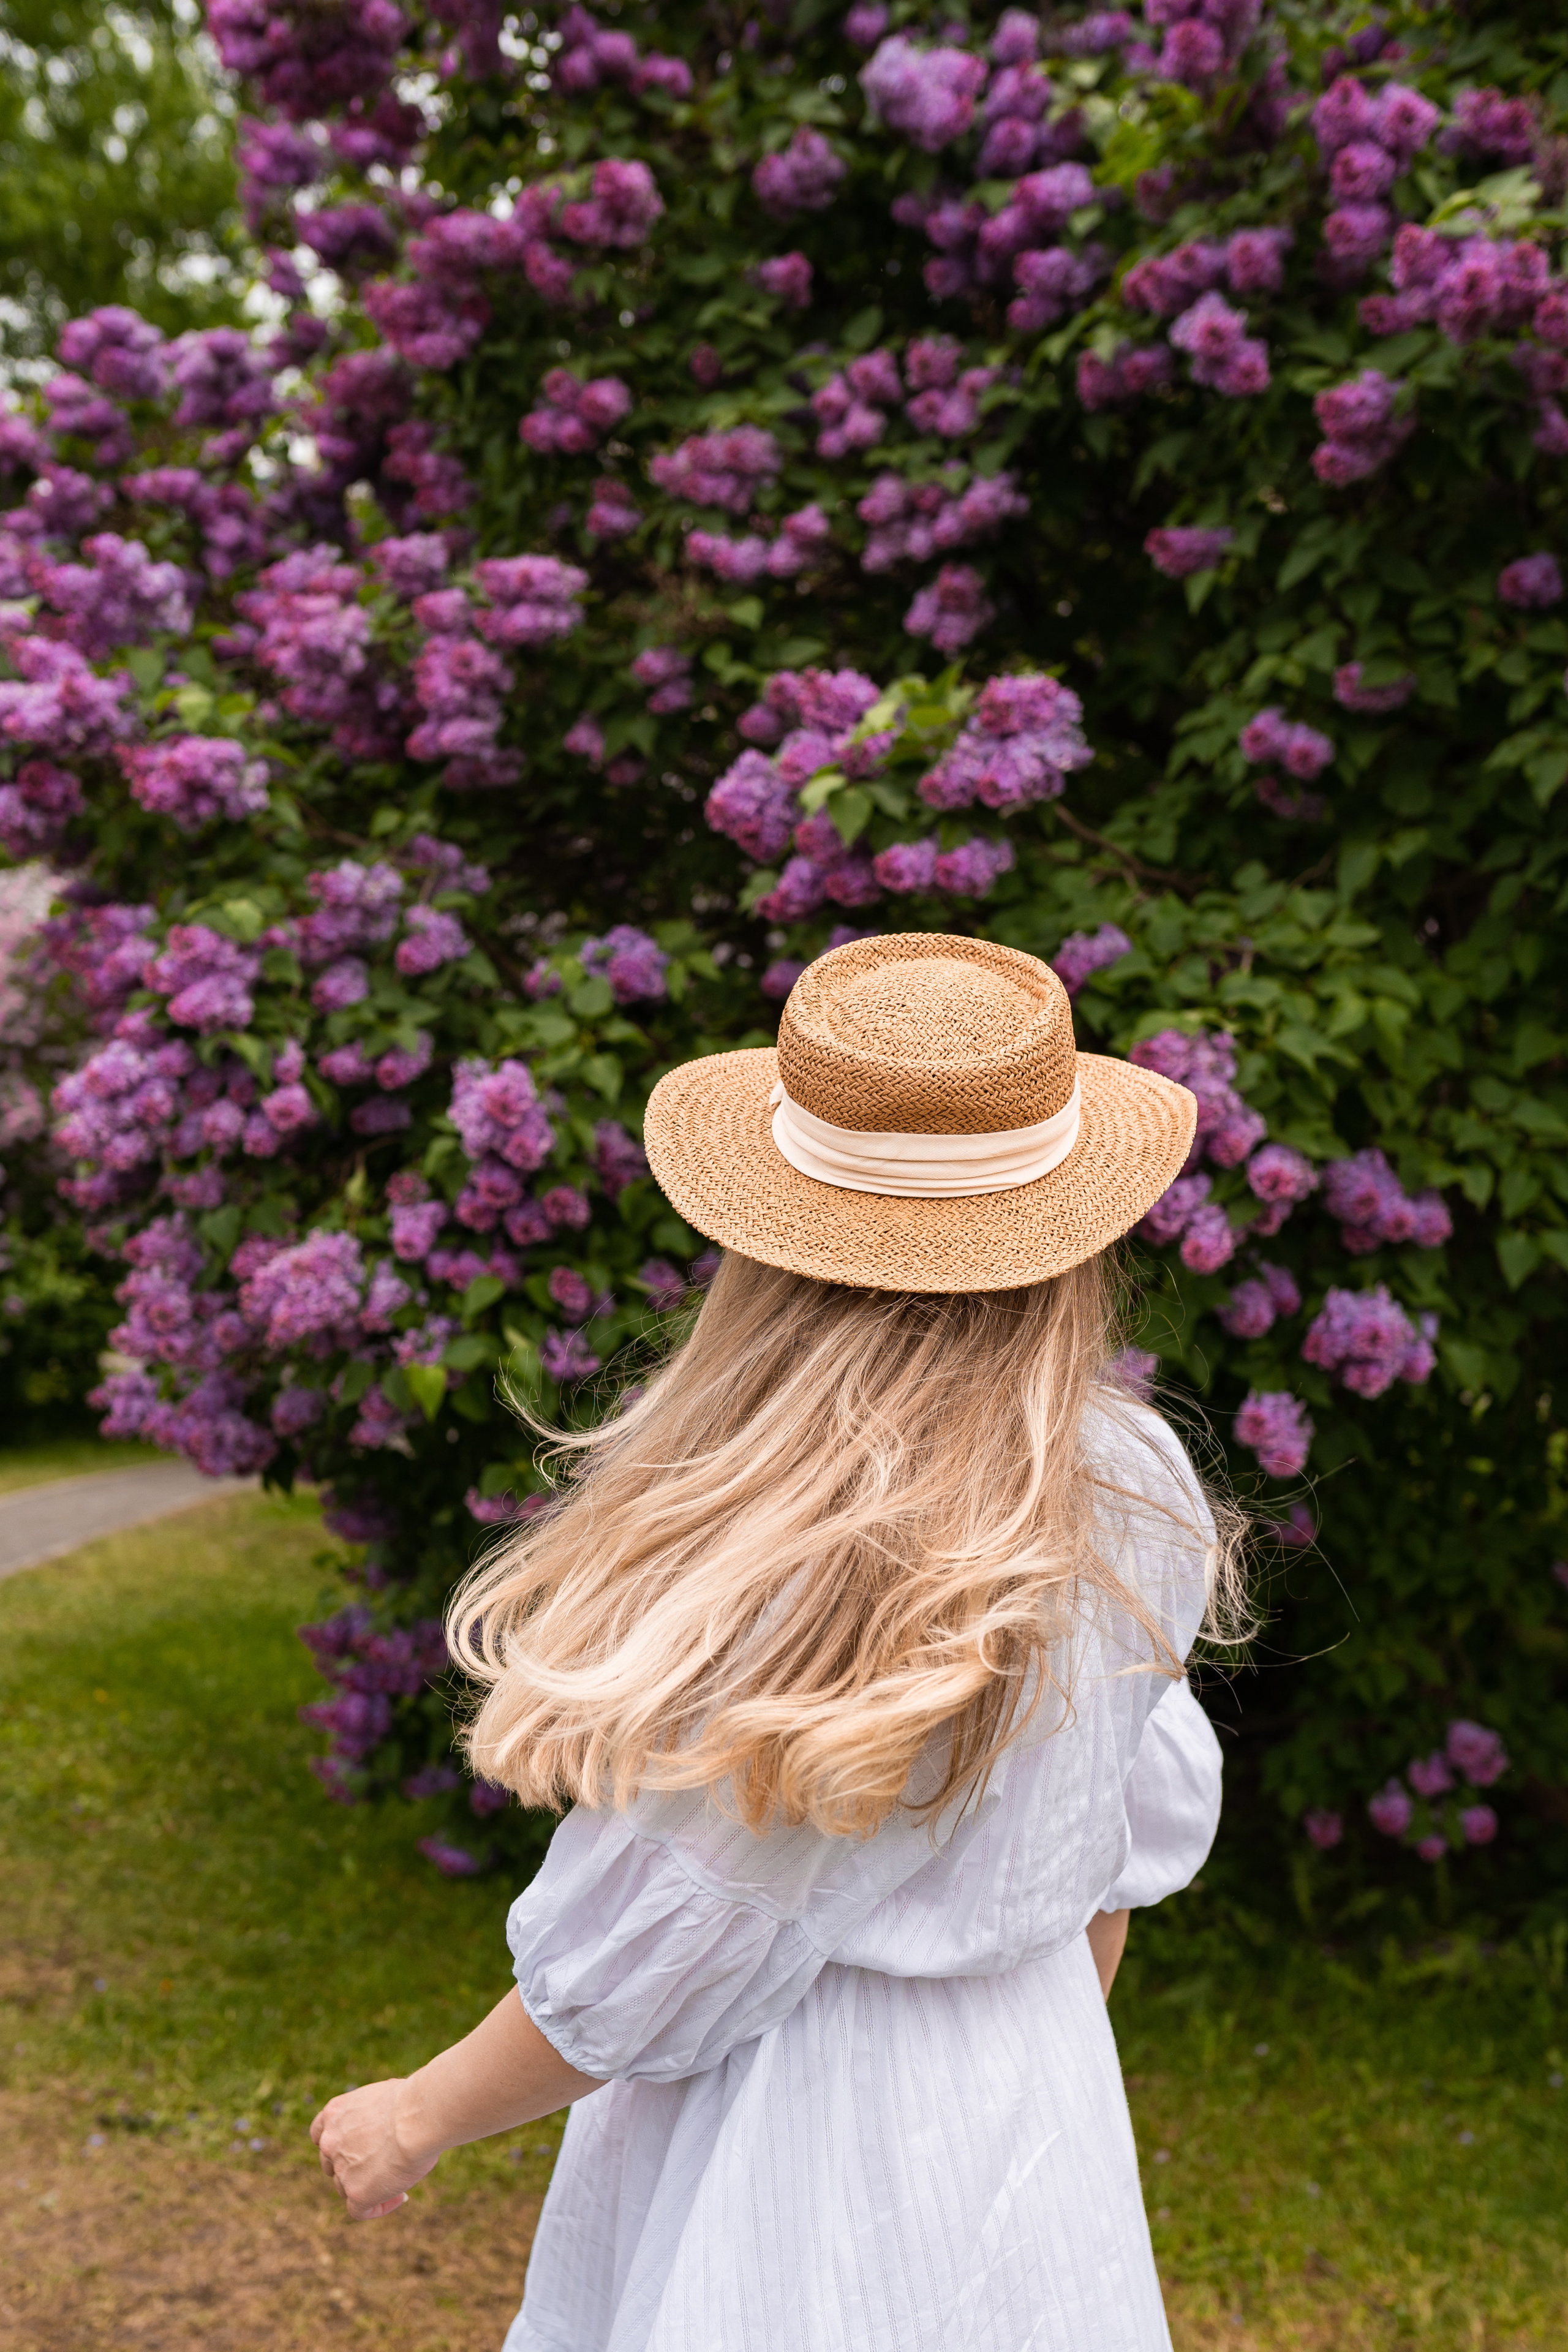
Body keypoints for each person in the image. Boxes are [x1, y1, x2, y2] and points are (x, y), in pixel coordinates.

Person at [312, 932, 1240, 2351]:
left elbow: (670, 1938)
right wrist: (1019, 2046)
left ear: (768, 1253)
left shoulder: (821, 1562)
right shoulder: (1130, 1483)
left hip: (795, 2143)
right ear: (1068, 1236)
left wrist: (419, 2114)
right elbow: (1105, 1851)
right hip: (1029, 2099)